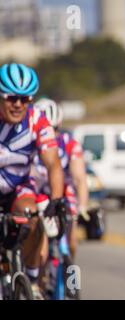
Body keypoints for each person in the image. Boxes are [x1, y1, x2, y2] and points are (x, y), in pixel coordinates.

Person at [0, 63, 65, 299]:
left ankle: (32, 279)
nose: (18, 104)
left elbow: (53, 164)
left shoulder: (37, 121)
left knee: (32, 216)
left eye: (25, 98)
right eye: (11, 98)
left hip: (19, 187)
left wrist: (57, 200)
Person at [32, 97, 89, 259]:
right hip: (39, 191)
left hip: (63, 191)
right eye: (47, 130)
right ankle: (39, 280)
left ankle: (68, 266)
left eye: (55, 129)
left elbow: (80, 179)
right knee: (41, 248)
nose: (52, 135)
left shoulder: (70, 144)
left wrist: (82, 206)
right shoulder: (31, 142)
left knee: (71, 241)